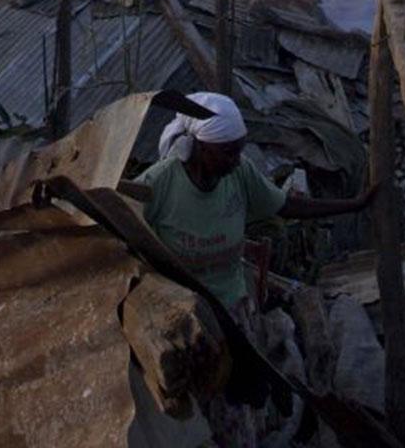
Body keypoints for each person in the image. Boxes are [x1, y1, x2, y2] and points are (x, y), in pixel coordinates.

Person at [121, 93, 376, 445]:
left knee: (238, 409)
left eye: (239, 150)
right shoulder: (160, 183)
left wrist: (353, 205)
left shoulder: (239, 175)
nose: (236, 159)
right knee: (188, 416)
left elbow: (285, 206)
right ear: (199, 146)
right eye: (228, 151)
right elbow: (124, 229)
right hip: (181, 321)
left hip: (233, 312)